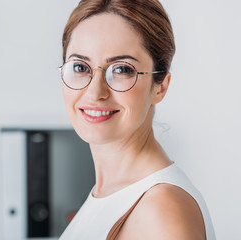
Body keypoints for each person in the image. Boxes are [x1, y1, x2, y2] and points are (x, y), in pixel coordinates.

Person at [58, 0, 216, 239]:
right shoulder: (109, 192)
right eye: (80, 67)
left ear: (160, 86)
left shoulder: (161, 211)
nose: (95, 92)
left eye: (122, 69)